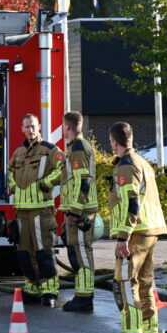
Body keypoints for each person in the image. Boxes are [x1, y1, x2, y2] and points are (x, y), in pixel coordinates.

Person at [106, 121, 167, 333]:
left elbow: (132, 203)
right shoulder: (142, 162)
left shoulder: (126, 166)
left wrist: (123, 236)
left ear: (114, 141)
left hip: (134, 233)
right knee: (145, 284)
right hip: (151, 230)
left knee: (125, 282)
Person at [8, 114, 64, 307]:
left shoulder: (49, 149)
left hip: (42, 210)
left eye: (33, 126)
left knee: (43, 252)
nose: (30, 130)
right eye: (27, 127)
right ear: (21, 129)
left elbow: (64, 167)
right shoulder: (18, 152)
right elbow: (9, 172)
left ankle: (49, 290)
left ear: (39, 127)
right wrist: (12, 185)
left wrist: (47, 182)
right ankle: (32, 287)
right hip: (22, 211)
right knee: (25, 252)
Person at [60, 111, 99, 313]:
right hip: (80, 210)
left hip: (81, 212)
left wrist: (74, 210)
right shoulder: (76, 147)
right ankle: (82, 295)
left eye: (63, 126)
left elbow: (82, 181)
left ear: (67, 126)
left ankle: (84, 298)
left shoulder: (77, 148)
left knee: (82, 254)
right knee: (78, 253)